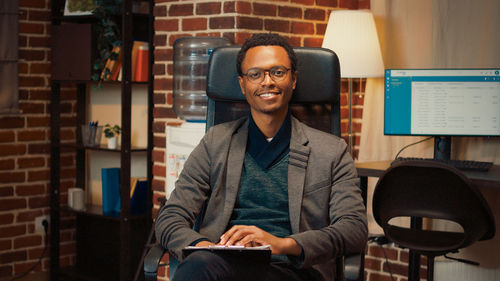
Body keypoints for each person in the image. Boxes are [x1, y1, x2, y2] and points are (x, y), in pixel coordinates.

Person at [155, 33, 367, 281]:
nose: (267, 81)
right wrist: (203, 247)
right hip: (222, 264)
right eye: (255, 74)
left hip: (293, 269)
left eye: (278, 72)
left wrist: (283, 244)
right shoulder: (215, 143)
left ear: (293, 79)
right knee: (198, 267)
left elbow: (354, 228)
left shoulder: (332, 151)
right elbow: (170, 216)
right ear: (243, 84)